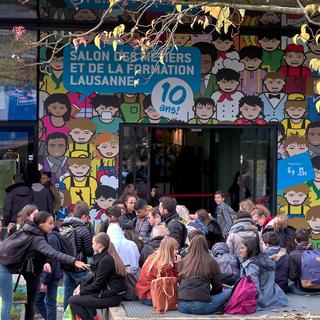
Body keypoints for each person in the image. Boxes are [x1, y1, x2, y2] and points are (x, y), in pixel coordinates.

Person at [0, 211, 88, 320]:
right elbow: (53, 252)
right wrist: (73, 261)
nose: (53, 226)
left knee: (23, 302)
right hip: (3, 267)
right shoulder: (36, 238)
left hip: (7, 265)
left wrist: (45, 263)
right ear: (41, 224)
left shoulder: (27, 229)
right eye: (50, 223)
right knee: (7, 302)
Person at [69, 233, 126, 320]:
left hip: (111, 297)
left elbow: (97, 284)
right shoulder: (105, 257)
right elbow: (94, 277)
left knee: (73, 301)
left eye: (93, 243)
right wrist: (81, 286)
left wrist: (81, 291)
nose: (91, 246)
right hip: (108, 294)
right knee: (76, 298)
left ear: (99, 245)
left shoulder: (106, 259)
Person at [178, 235, 232, 315]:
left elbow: (180, 281)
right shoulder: (211, 261)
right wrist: (209, 295)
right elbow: (217, 287)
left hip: (182, 306)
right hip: (201, 306)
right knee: (231, 290)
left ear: (191, 246)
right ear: (205, 246)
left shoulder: (184, 261)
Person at [61, 201, 94, 311]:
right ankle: (87, 316)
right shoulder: (83, 230)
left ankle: (67, 317)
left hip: (67, 264)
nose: (88, 220)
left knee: (68, 293)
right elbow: (89, 252)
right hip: (80, 267)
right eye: (88, 217)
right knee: (86, 292)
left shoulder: (64, 226)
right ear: (84, 216)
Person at [241, 237, 288, 310]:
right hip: (274, 296)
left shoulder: (251, 265)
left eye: (243, 248)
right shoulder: (266, 260)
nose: (241, 251)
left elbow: (254, 288)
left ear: (250, 249)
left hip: (259, 300)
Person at [135, 237, 179, 305]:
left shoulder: (153, 257)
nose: (177, 252)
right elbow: (172, 283)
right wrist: (176, 265)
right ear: (169, 250)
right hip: (152, 297)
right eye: (175, 249)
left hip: (143, 295)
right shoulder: (164, 265)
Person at [35, 225, 63, 320]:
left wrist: (45, 282)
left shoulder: (51, 238)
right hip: (51, 274)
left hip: (51, 275)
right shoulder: (52, 236)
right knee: (43, 300)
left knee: (48, 301)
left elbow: (51, 261)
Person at [288, 228, 320, 295]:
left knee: (289, 285)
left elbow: (292, 276)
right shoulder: (317, 253)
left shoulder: (293, 255)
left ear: (295, 241)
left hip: (303, 289)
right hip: (318, 287)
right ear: (309, 239)